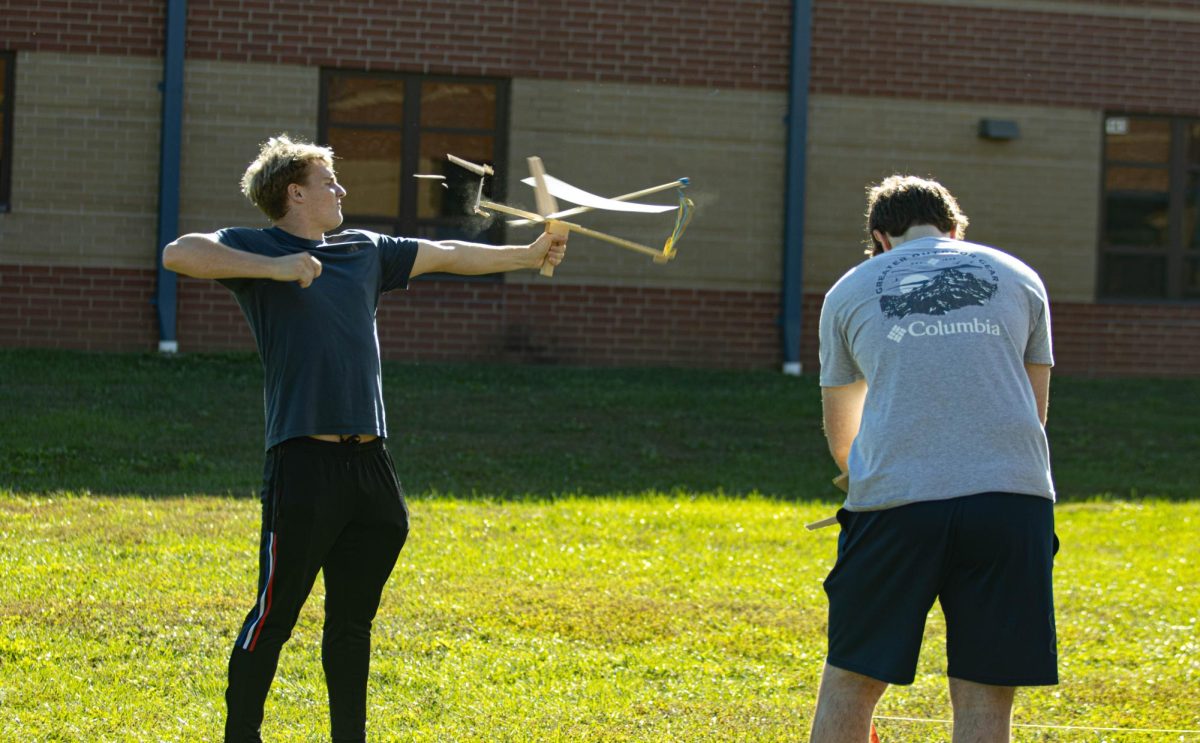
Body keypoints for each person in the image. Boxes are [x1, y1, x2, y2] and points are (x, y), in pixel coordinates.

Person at [162, 134, 566, 742]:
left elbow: (449, 252)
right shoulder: (259, 247)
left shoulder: (364, 249)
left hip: (371, 467)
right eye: (329, 181)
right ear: (295, 193)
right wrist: (275, 268)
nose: (342, 189)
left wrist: (529, 254)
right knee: (274, 616)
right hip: (303, 462)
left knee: (352, 625)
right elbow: (180, 253)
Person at [810, 175, 1058, 743]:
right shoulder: (1020, 278)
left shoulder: (850, 289)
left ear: (881, 238)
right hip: (1011, 500)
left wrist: (863, 474)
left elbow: (841, 430)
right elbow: (1034, 409)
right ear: (953, 228)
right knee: (985, 694)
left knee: (851, 680)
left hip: (896, 506)